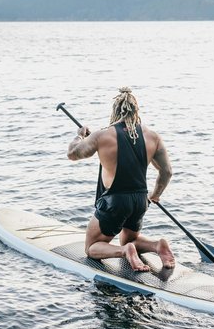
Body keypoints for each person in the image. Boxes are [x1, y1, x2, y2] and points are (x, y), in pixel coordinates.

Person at [67, 87, 174, 273]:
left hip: (115, 202)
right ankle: (157, 246)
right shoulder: (153, 137)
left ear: (116, 111)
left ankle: (124, 251)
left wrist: (80, 135)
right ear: (136, 111)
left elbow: (73, 154)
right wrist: (155, 196)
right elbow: (167, 172)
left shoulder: (102, 135)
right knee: (129, 238)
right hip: (140, 201)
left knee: (91, 248)